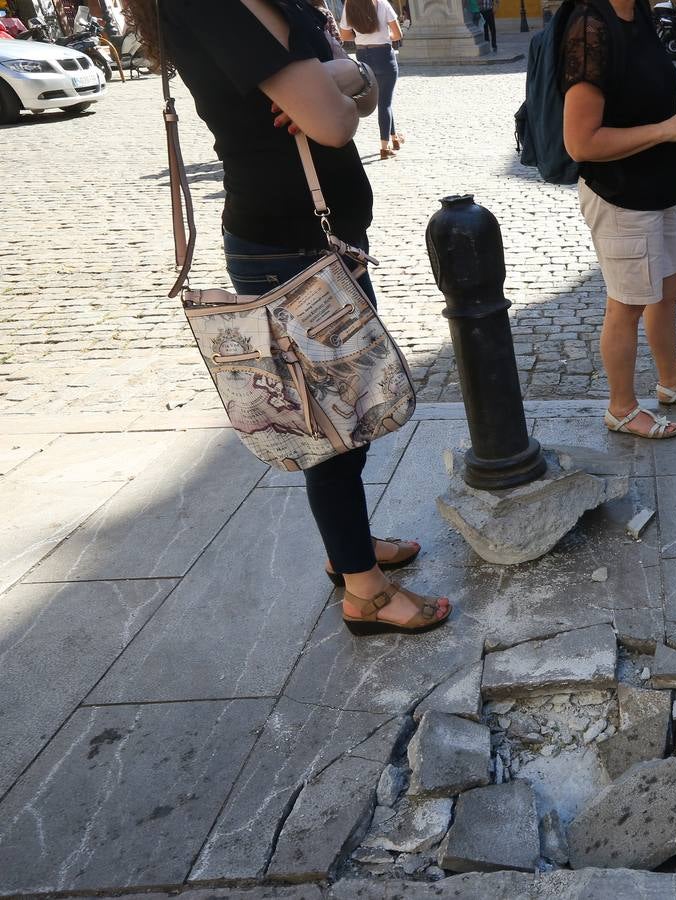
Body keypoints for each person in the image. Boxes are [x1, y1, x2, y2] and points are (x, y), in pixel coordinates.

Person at [126, 0, 451, 636]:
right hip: (287, 251)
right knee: (326, 432)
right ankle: (364, 592)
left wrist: (341, 76)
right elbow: (334, 124)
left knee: (346, 419)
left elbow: (357, 89)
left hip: (319, 243)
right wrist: (339, 82)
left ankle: (348, 548)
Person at [560, 0, 676, 440]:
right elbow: (580, 142)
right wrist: (666, 130)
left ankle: (670, 381)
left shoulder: (641, 15)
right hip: (620, 194)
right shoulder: (590, 26)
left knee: (666, 289)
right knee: (627, 303)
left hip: (656, 185)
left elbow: (637, 97)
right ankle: (621, 407)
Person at [340, 0, 404, 159]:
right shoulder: (382, 3)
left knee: (384, 99)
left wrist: (361, 34)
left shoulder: (350, 4)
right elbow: (397, 34)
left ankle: (394, 137)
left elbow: (344, 35)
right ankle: (384, 147)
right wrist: (384, 34)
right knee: (385, 102)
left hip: (363, 55)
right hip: (383, 54)